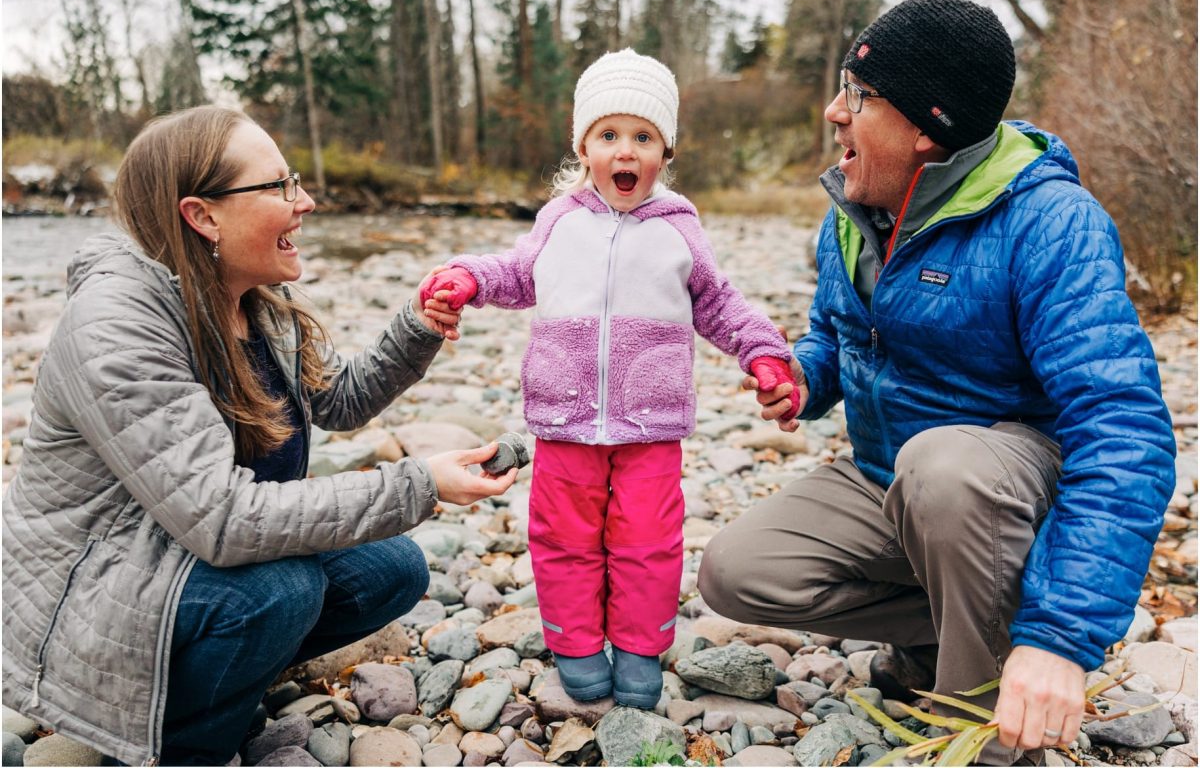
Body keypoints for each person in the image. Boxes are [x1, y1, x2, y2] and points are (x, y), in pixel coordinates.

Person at [697, 0, 1176, 765]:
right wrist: (804, 376)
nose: (833, 113)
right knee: (739, 572)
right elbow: (838, 333)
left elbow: (1127, 434)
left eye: (858, 98)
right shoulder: (858, 205)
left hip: (994, 486)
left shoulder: (1053, 222)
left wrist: (1061, 639)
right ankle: (970, 631)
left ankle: (987, 728)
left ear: (926, 127)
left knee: (943, 467)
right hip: (893, 482)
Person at [1, 106, 518, 766]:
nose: (303, 201)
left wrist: (418, 326)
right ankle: (184, 743)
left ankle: (217, 673)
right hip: (105, 591)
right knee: (284, 592)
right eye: (277, 186)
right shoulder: (115, 326)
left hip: (187, 551)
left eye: (294, 180)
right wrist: (419, 481)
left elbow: (342, 400)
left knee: (394, 569)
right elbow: (223, 520)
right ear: (203, 215)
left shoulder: (252, 301)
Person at [418, 49, 800, 709]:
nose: (626, 151)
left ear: (666, 150)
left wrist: (762, 352)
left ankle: (640, 645)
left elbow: (718, 304)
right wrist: (469, 278)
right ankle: (574, 641)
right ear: (585, 145)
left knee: (648, 541)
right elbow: (516, 274)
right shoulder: (560, 220)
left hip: (650, 425)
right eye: (610, 135)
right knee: (563, 537)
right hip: (565, 420)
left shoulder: (679, 228)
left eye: (643, 137)